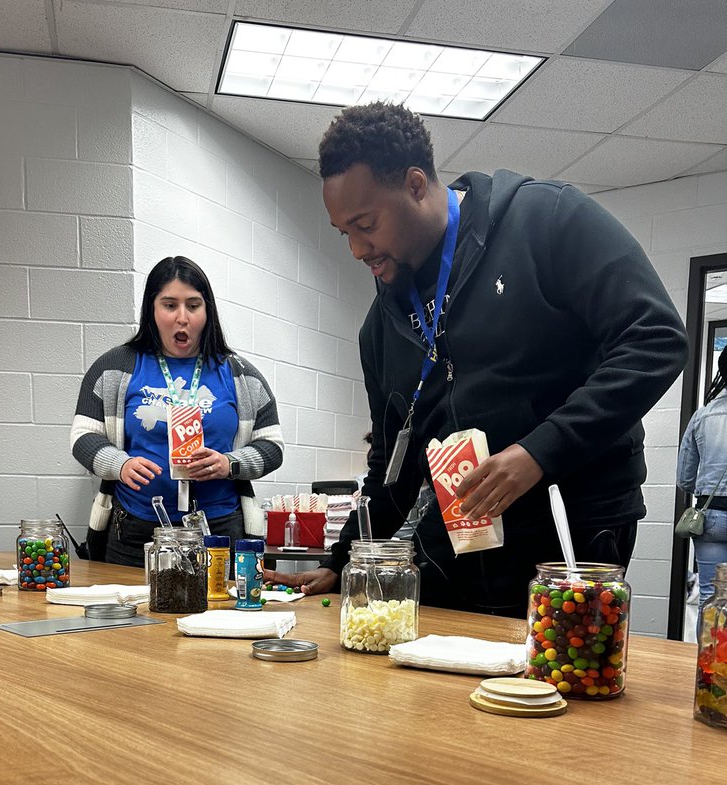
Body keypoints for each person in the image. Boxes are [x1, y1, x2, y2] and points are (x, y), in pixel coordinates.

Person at [266, 102, 688, 616]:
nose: (357, 249)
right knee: (433, 682)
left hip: (570, 525)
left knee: (557, 682)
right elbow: (391, 465)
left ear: (416, 185)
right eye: (344, 233)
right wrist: (342, 555)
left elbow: (657, 339)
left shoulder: (546, 220)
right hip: (461, 539)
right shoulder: (380, 327)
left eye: (366, 224)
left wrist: (538, 454)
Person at [71, 255, 283, 566]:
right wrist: (120, 464)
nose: (182, 317)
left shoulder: (241, 375)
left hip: (219, 532)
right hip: (135, 530)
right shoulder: (114, 368)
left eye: (193, 305)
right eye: (170, 305)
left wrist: (229, 464)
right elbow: (82, 436)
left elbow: (272, 446)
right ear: (152, 310)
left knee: (216, 614)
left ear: (207, 311)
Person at [677, 346, 727, 625]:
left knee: (711, 598)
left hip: (710, 519)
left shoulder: (703, 415)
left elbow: (684, 479)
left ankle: (709, 667)